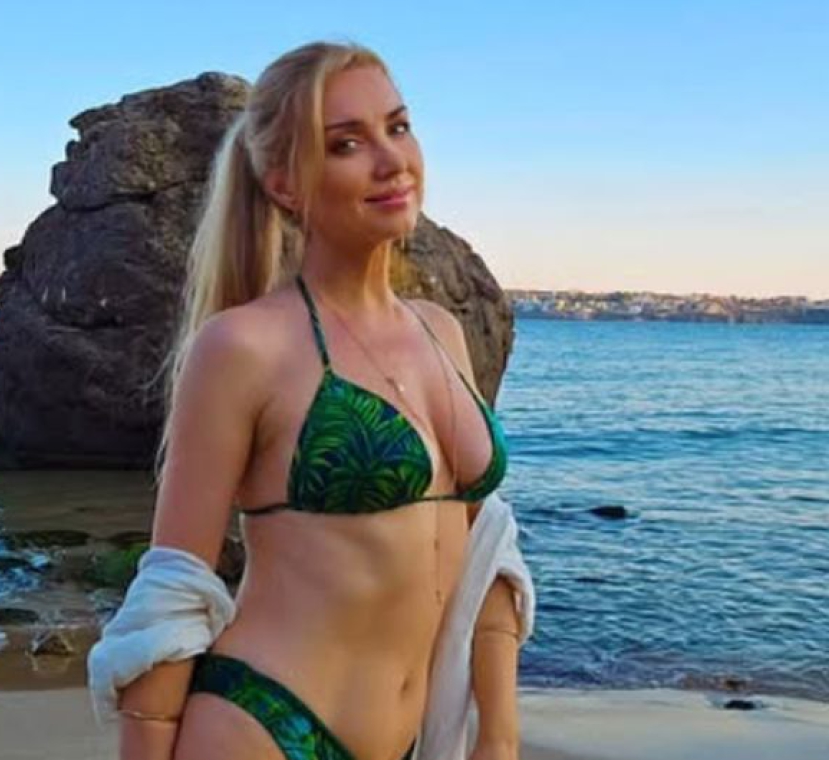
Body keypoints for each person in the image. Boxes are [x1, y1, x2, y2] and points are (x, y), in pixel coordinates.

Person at [87, 41, 534, 760]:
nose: (391, 160)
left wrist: (500, 738)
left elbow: (488, 547)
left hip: (414, 740)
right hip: (267, 728)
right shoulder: (242, 346)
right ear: (285, 185)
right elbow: (173, 591)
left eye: (397, 126)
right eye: (346, 144)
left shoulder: (442, 333)